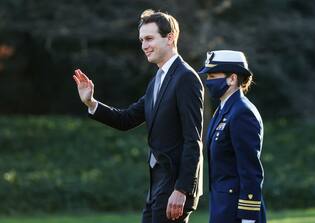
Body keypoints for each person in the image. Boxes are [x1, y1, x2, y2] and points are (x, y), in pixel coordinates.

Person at [73, 9, 204, 223]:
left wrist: (182, 189)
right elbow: (126, 119)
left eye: (149, 38)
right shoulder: (156, 81)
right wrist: (91, 102)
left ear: (170, 38)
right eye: (142, 40)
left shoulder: (186, 78)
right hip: (157, 185)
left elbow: (193, 140)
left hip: (175, 187)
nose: (144, 46)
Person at [198, 50, 266, 223]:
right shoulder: (222, 111)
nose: (208, 81)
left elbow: (250, 170)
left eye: (213, 75)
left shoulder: (242, 112)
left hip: (238, 212)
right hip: (222, 208)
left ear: (233, 78)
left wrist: (248, 218)